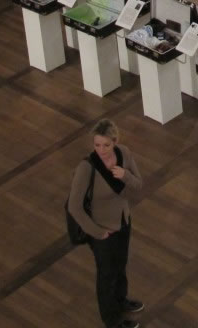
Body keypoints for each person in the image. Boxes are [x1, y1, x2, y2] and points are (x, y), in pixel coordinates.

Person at [68, 119, 145, 328]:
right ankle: (112, 320)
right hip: (102, 231)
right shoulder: (86, 168)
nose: (101, 150)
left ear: (115, 141)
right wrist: (97, 232)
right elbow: (74, 206)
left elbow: (138, 184)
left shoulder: (124, 154)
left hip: (123, 222)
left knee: (120, 265)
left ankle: (121, 300)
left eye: (106, 145)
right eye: (97, 145)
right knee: (106, 275)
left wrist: (125, 175)